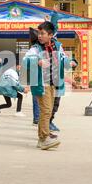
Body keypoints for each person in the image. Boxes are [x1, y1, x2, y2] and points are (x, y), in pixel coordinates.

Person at [22, 15, 77, 150]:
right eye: (39, 33)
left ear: (51, 35)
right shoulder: (36, 48)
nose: (39, 36)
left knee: (47, 111)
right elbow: (25, 61)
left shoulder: (57, 46)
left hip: (54, 83)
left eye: (43, 33)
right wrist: (37, 61)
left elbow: (63, 59)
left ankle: (42, 139)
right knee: (46, 110)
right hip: (42, 84)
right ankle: (44, 138)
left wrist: (71, 63)